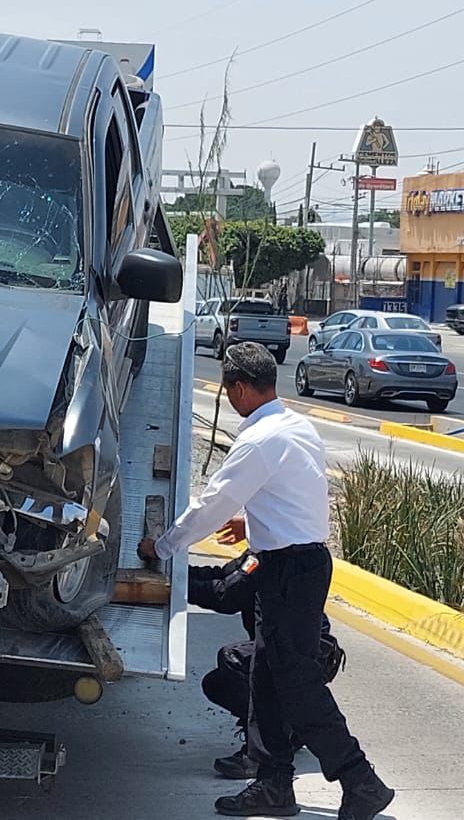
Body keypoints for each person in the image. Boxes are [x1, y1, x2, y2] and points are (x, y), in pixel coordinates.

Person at [138, 343, 393, 819]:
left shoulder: (257, 439)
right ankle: (274, 784)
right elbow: (291, 497)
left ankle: (361, 781)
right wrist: (252, 527)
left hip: (290, 570)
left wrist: (164, 547)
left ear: (237, 389)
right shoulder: (295, 424)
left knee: (297, 686)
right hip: (294, 563)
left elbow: (211, 503)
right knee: (267, 680)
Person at [189, 547, 346, 781]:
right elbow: (223, 575)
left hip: (310, 651)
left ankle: (261, 754)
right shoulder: (259, 553)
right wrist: (178, 572)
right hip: (281, 647)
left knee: (234, 659)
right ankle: (288, 734)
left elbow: (227, 594)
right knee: (217, 683)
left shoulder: (274, 556)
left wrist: (180, 587)